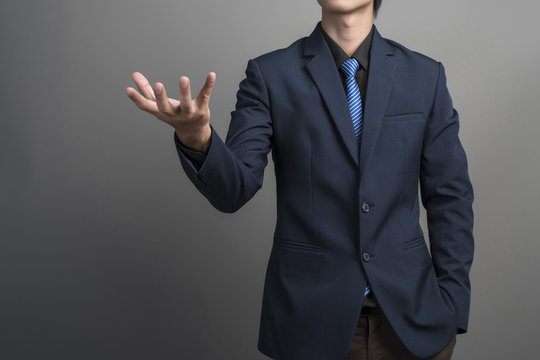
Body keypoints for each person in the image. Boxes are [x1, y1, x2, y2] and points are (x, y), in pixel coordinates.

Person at [125, 0, 474, 358]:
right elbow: (234, 190)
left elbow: (451, 196)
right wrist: (197, 137)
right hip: (310, 327)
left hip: (415, 325)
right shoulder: (269, 75)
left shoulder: (425, 76)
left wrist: (453, 305)